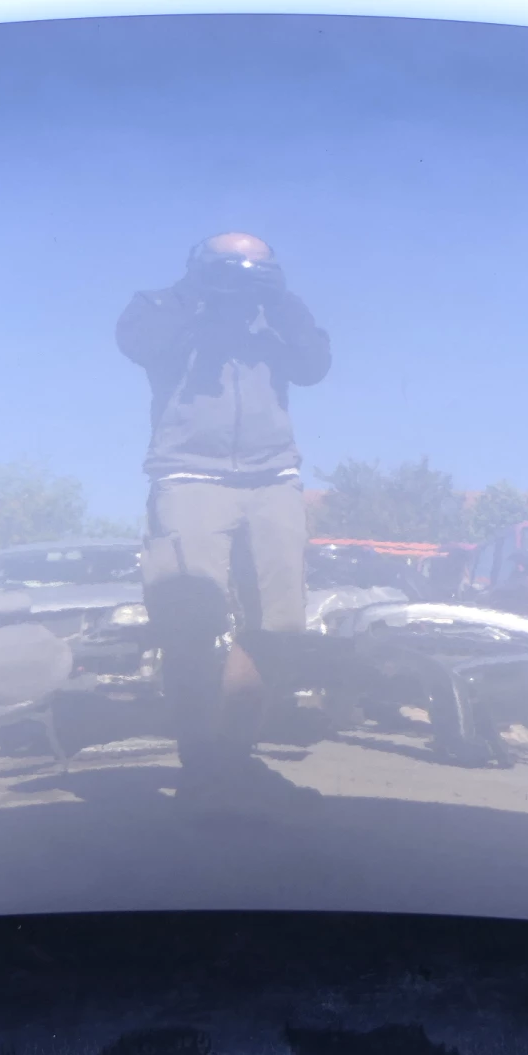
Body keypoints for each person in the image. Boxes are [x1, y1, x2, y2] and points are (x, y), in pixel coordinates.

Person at [115, 232, 331, 801]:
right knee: (190, 624)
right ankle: (200, 761)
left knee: (281, 627)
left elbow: (314, 366)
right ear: (200, 263)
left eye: (260, 264)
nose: (245, 273)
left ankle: (234, 756)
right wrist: (201, 292)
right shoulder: (163, 304)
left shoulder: (274, 313)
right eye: (231, 263)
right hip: (189, 475)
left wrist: (280, 301)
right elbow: (143, 346)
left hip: (273, 477)